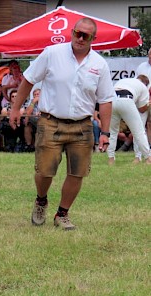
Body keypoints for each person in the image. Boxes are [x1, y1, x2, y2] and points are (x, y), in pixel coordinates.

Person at [10, 17, 115, 230]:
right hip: (51, 122)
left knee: (78, 172)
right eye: (78, 33)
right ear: (72, 32)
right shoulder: (52, 53)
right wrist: (15, 108)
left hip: (83, 125)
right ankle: (41, 200)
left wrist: (105, 132)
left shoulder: (99, 64)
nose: (80, 38)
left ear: (93, 38)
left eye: (86, 35)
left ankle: (62, 214)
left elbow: (105, 100)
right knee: (44, 171)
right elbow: (28, 80)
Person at [107, 75, 150, 165]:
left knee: (112, 132)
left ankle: (111, 158)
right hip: (126, 100)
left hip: (112, 100)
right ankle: (148, 157)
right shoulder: (143, 87)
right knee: (139, 131)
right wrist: (148, 104)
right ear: (145, 84)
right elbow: (142, 109)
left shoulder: (125, 80)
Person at [23, 88, 42, 152]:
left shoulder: (45, 101)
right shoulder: (31, 101)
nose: (36, 96)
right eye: (35, 94)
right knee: (27, 128)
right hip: (33, 122)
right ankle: (29, 146)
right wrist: (33, 103)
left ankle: (38, 147)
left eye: (38, 94)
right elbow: (28, 112)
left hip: (43, 122)